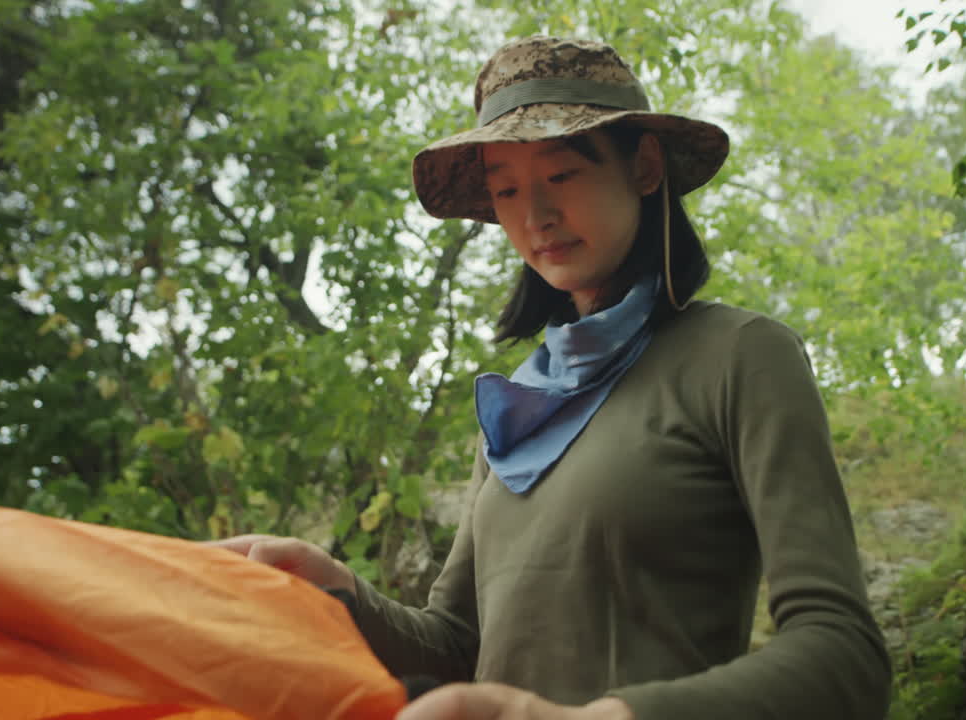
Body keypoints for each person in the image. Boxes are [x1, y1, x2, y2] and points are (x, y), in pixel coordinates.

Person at [212, 36, 891, 720]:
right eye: (507, 190)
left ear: (646, 166)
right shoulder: (521, 403)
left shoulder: (740, 357)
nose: (533, 216)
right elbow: (456, 647)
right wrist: (332, 589)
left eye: (561, 175)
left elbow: (843, 654)